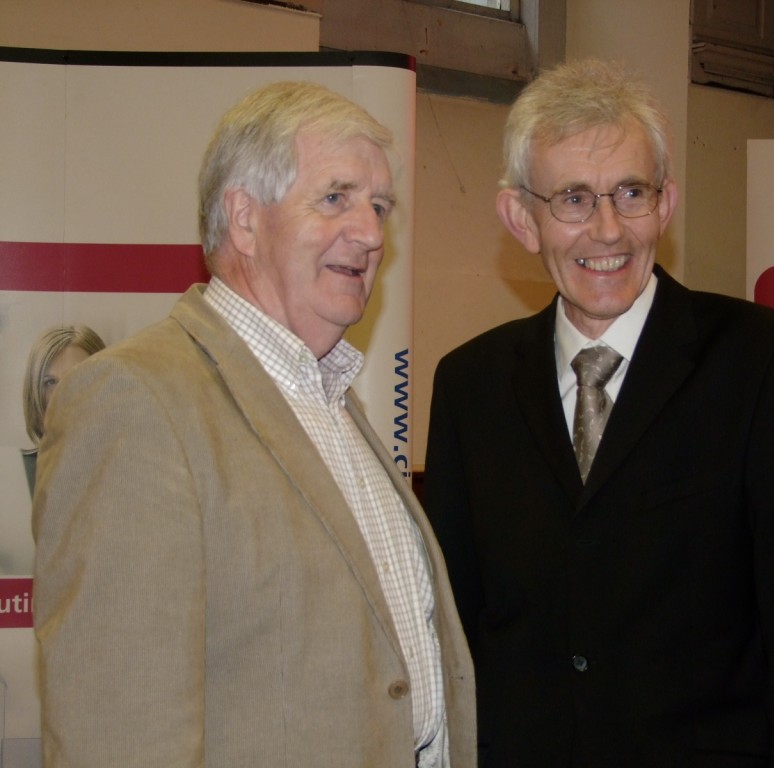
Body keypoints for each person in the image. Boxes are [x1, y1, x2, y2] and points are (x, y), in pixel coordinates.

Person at [423, 59, 774, 768]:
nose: (607, 230)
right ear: (521, 219)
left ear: (665, 204)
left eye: (630, 192)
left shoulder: (764, 365)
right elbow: (458, 633)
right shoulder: (470, 385)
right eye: (572, 198)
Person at [32, 81, 475, 767]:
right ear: (243, 219)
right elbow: (115, 733)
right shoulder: (136, 400)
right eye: (336, 198)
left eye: (379, 205)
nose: (370, 233)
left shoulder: (332, 399)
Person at [21, 324, 106, 498]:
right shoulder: (15, 476)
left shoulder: (133, 472)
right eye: (50, 382)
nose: (62, 394)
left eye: (78, 378)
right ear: (35, 392)